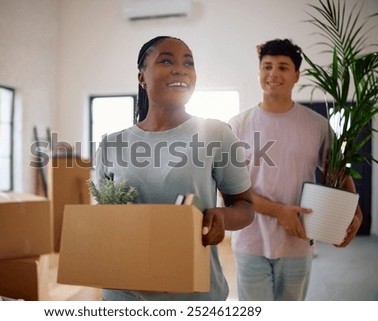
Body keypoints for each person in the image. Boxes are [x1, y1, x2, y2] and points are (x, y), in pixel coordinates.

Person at [94, 36, 254, 300]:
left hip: (193, 295)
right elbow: (104, 216)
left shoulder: (216, 133)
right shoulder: (112, 144)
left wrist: (222, 218)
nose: (181, 69)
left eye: (188, 63)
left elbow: (246, 207)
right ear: (141, 77)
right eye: (166, 60)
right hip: (124, 294)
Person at [228, 38, 363, 301]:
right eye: (266, 67)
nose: (273, 74)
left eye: (282, 67)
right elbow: (230, 189)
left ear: (297, 75)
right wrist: (280, 212)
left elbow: (338, 172)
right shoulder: (238, 125)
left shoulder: (317, 125)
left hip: (298, 241)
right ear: (258, 72)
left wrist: (355, 214)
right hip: (250, 242)